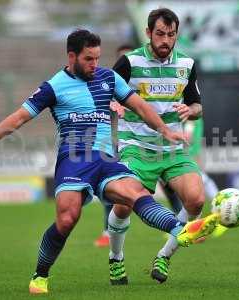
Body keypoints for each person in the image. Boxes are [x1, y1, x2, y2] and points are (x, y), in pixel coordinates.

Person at [0, 29, 220, 294]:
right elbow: (20, 117)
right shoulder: (54, 86)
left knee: (137, 194)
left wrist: (165, 130)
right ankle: (41, 274)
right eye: (89, 59)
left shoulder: (108, 78)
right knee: (67, 218)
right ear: (72, 56)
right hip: (74, 158)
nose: (95, 65)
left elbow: (141, 107)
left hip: (106, 158)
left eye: (97, 58)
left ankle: (181, 229)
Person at [109, 8, 217, 284]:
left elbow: (197, 106)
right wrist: (113, 104)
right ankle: (116, 258)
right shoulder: (128, 62)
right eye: (160, 34)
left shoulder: (187, 65)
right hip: (137, 146)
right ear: (148, 33)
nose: (165, 40)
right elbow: (104, 91)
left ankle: (164, 256)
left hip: (172, 148)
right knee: (123, 206)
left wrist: (190, 111)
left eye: (171, 35)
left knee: (195, 199)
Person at [94, 44, 135, 248]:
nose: (125, 61)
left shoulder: (145, 82)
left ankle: (181, 224)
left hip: (148, 143)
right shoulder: (108, 83)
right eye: (121, 58)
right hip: (116, 143)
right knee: (111, 187)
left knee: (170, 185)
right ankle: (107, 231)